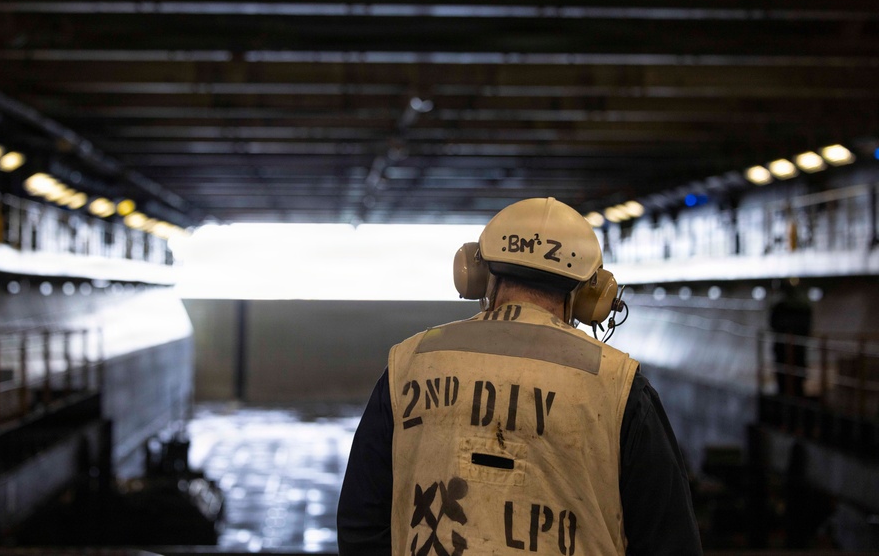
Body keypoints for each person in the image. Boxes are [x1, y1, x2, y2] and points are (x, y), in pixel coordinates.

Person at [337, 197, 702, 555]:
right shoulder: (619, 385)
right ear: (593, 294)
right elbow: (669, 540)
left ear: (476, 273)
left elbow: (362, 524)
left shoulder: (410, 362)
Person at [769, 278, 813, 399]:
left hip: (787, 347)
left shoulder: (780, 307)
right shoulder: (803, 306)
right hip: (793, 347)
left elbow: (773, 324)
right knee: (794, 371)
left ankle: (790, 393)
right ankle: (794, 393)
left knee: (790, 372)